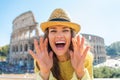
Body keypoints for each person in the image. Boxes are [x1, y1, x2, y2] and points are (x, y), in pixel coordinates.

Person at [29, 8, 93, 80]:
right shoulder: (41, 60)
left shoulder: (84, 58)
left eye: (65, 30)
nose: (59, 35)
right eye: (53, 31)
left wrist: (80, 73)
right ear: (48, 36)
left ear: (71, 35)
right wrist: (45, 74)